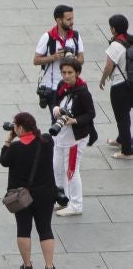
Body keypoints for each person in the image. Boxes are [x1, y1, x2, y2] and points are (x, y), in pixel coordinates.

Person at [0, 111, 59, 269]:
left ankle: (27, 266)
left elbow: (3, 161)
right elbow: (45, 137)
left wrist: (9, 140)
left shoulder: (16, 148)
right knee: (45, 229)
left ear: (19, 127)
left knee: (23, 229)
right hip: (46, 194)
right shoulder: (47, 142)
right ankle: (49, 267)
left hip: (22, 197)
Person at [49, 57, 97, 216]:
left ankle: (76, 204)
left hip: (75, 138)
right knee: (57, 167)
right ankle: (63, 198)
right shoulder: (62, 85)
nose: (66, 75)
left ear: (77, 73)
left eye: (70, 72)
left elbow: (91, 114)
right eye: (63, 72)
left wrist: (74, 120)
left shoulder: (83, 92)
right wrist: (56, 107)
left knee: (71, 170)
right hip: (61, 136)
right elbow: (55, 99)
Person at [98, 13, 132, 159]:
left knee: (121, 117)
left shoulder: (116, 45)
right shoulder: (130, 40)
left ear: (113, 29)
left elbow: (108, 66)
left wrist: (102, 79)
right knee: (125, 113)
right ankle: (121, 140)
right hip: (131, 83)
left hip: (120, 85)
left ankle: (126, 151)